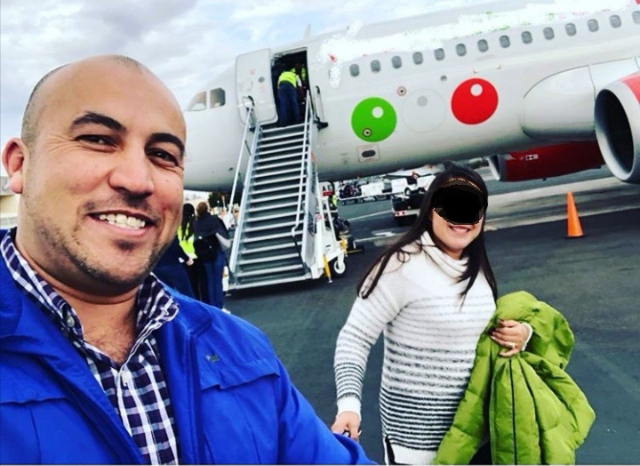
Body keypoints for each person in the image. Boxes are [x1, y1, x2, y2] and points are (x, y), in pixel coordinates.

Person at [0, 54, 372, 464]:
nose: (137, 180)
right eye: (98, 139)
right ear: (19, 165)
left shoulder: (241, 350)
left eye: (163, 155)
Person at [331, 163, 532, 465]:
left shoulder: (477, 269)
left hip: (478, 437)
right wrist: (348, 406)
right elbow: (354, 340)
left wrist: (522, 335)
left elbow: (485, 335)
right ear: (430, 211)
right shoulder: (400, 264)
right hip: (419, 449)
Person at [193, 201, 228, 309]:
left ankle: (213, 306)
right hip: (216, 251)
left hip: (204, 254)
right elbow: (223, 232)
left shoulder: (196, 223)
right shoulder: (214, 220)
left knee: (210, 280)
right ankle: (219, 305)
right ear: (207, 209)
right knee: (217, 280)